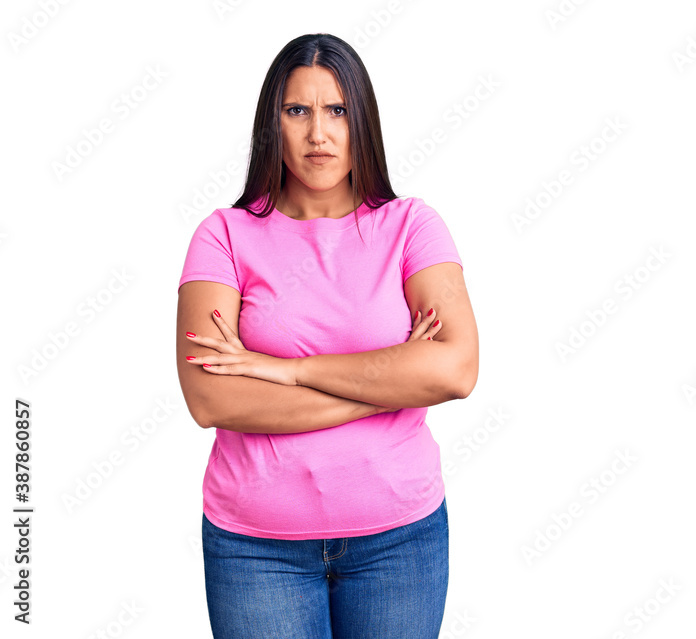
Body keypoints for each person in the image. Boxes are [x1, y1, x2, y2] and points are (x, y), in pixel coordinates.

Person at [174, 33, 478, 639]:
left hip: (399, 541)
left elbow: (455, 372)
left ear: (361, 120)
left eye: (337, 110)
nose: (319, 134)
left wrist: (286, 369)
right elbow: (212, 400)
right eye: (298, 111)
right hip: (256, 551)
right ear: (273, 124)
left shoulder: (412, 226)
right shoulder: (224, 236)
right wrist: (394, 382)